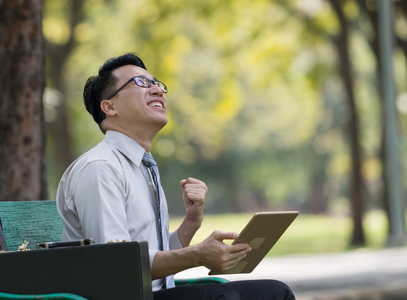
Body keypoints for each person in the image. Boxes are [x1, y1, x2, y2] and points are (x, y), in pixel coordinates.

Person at [56, 53, 295, 300]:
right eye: (140, 83)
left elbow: (153, 258)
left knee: (275, 292)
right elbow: (119, 266)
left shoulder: (144, 166)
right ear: (109, 107)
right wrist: (197, 255)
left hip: (157, 292)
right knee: (219, 298)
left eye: (157, 84)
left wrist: (190, 223)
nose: (157, 90)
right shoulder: (100, 168)